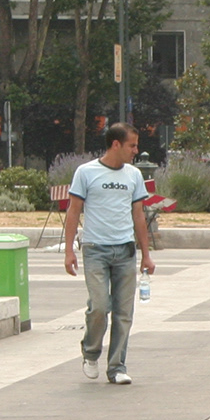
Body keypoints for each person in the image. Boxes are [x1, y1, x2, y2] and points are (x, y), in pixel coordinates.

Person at [63, 123, 155, 385]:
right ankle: (91, 351)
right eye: (132, 145)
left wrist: (146, 254)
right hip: (95, 250)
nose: (136, 151)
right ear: (116, 144)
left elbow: (139, 215)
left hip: (125, 251)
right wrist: (69, 251)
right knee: (100, 306)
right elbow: (73, 211)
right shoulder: (86, 172)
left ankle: (117, 366)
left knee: (124, 313)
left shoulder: (134, 175)